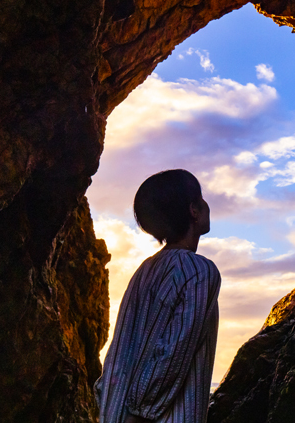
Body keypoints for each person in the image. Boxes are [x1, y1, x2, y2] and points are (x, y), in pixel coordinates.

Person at [94, 169, 221, 423]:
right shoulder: (200, 272)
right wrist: (140, 412)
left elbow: (119, 355)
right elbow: (172, 354)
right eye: (201, 198)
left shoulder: (144, 271)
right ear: (193, 210)